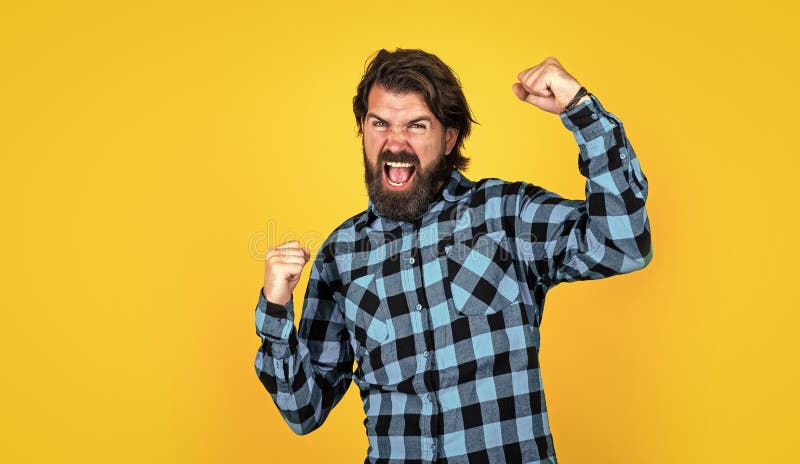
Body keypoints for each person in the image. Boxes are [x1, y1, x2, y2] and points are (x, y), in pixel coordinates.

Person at [254, 48, 652, 463]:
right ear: (363, 130)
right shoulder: (341, 255)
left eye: (416, 125)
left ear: (450, 137)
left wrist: (580, 110)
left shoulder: (505, 215)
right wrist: (276, 310)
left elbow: (623, 244)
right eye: (380, 123)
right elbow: (303, 410)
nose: (395, 141)